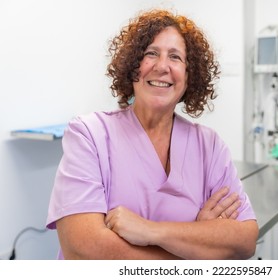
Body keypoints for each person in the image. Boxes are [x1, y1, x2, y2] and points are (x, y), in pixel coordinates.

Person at [46, 8, 259, 260]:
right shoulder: (89, 134)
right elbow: (84, 248)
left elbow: (245, 240)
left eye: (176, 57)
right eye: (151, 54)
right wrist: (197, 244)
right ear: (133, 67)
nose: (162, 66)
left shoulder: (210, 147)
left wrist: (151, 231)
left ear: (190, 77)